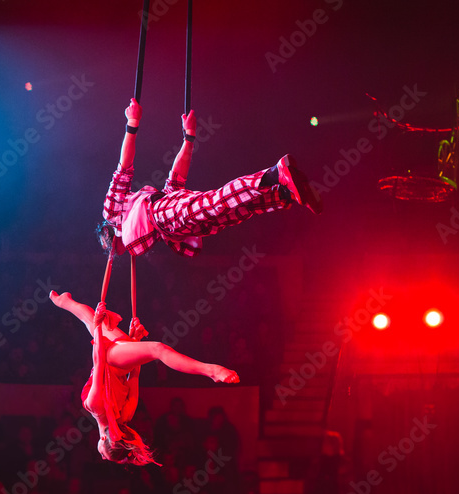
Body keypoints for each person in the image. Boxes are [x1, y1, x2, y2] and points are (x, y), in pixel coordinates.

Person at [100, 98, 322, 258]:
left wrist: (132, 123)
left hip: (162, 215)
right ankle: (283, 194)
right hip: (173, 227)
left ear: (107, 230)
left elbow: (124, 167)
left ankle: (275, 173)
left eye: (104, 243)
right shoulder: (144, 230)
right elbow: (175, 180)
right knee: (231, 212)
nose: (108, 250)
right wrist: (189, 138)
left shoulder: (112, 212)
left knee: (217, 203)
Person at [50, 290, 238, 466]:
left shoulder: (126, 415)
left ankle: (64, 301)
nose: (101, 455)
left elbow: (135, 374)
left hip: (119, 358)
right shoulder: (95, 406)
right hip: (112, 357)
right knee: (157, 349)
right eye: (103, 454)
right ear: (104, 439)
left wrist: (134, 343)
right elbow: (99, 361)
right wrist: (106, 330)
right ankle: (210, 371)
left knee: (89, 319)